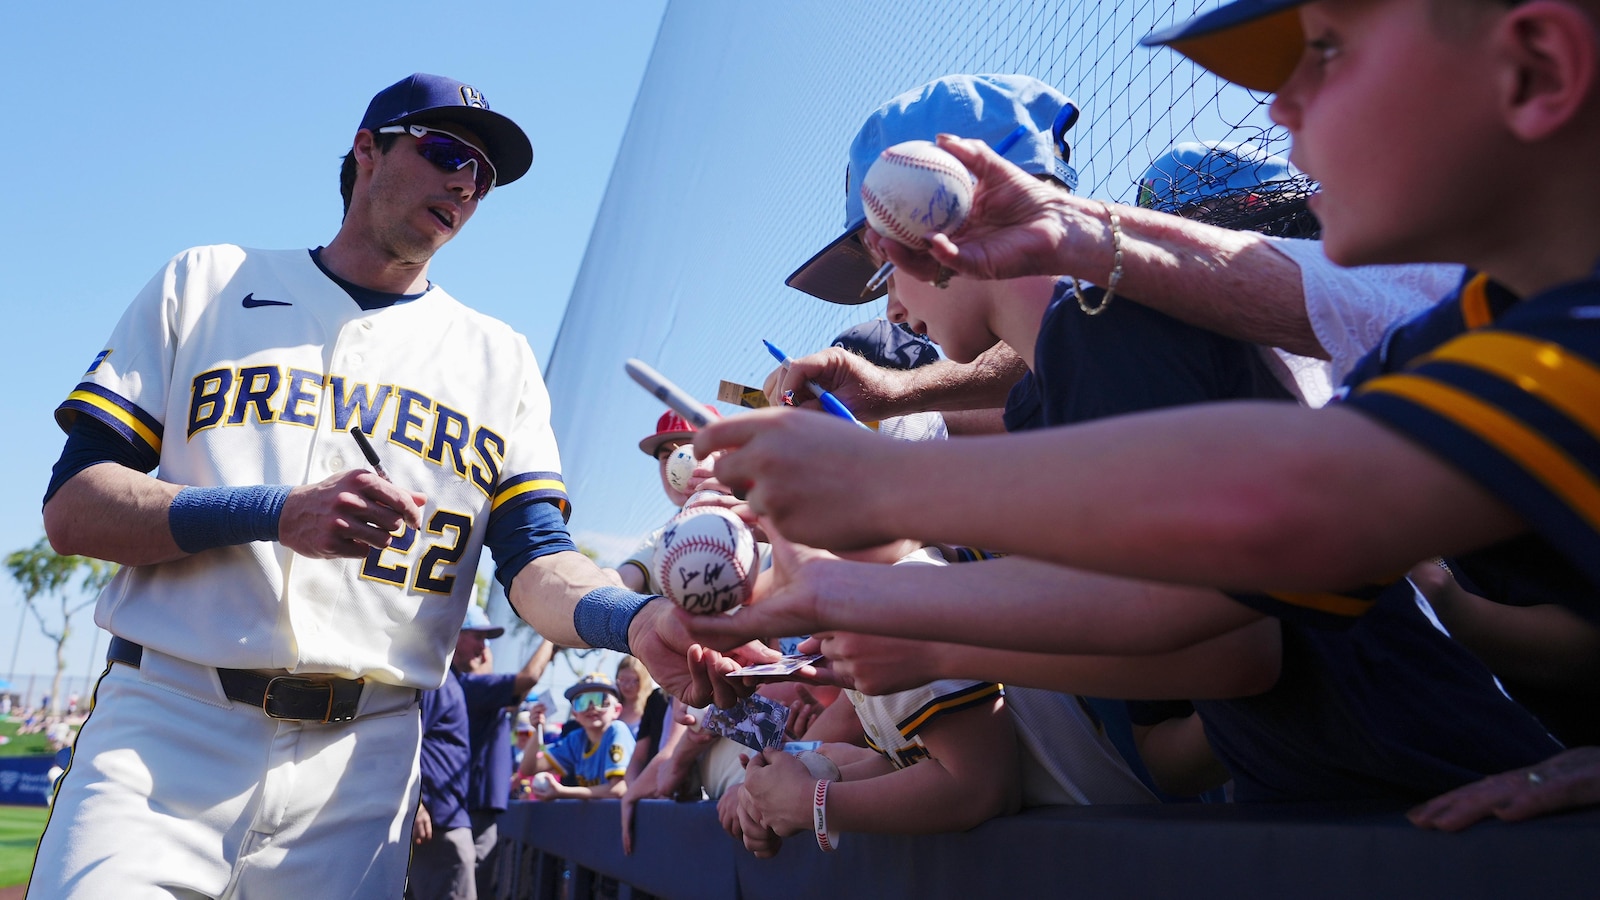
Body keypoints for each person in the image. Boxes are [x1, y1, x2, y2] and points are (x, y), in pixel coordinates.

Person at [698, 0, 1600, 826]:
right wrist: (864, 580)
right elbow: (1241, 562)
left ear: (1539, 67)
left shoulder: (1566, 336)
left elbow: (1281, 518)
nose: (1281, 106)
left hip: (1419, 794)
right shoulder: (1460, 334)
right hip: (1366, 804)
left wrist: (887, 508)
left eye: (1327, 51)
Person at [28, 72, 718, 899]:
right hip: (168, 727)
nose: (466, 183)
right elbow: (75, 508)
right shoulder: (207, 282)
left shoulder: (498, 358)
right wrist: (273, 513)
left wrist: (630, 619)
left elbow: (538, 560)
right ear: (367, 149)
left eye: (484, 175)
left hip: (366, 760)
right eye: (446, 152)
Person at [452, 602, 554, 898]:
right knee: (470, 886)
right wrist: (552, 637)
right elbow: (528, 679)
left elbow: (515, 694)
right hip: (472, 807)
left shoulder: (469, 687)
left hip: (473, 806)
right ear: (455, 637)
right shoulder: (466, 685)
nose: (484, 647)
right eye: (478, 637)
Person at [408, 670, 474, 900]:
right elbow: (407, 741)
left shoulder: (442, 676)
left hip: (441, 822)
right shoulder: (433, 675)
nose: (483, 652)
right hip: (434, 824)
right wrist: (415, 803)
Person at [520, 673, 635, 800]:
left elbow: (618, 789)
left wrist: (562, 792)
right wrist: (538, 729)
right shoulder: (576, 739)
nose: (591, 706)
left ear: (616, 710)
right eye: (582, 702)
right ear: (575, 714)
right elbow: (528, 769)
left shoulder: (617, 731)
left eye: (600, 699)